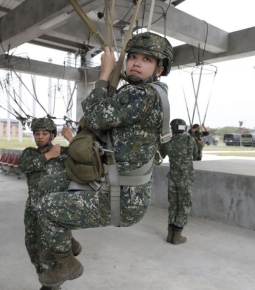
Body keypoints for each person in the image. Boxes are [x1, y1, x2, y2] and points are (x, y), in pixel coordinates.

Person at [37, 32, 173, 288]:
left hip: (119, 197)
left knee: (46, 207)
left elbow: (93, 115)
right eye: (132, 57)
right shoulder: (150, 95)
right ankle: (64, 245)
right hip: (120, 188)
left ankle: (67, 262)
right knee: (48, 184)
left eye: (146, 59)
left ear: (160, 68)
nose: (136, 62)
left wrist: (103, 74)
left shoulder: (141, 95)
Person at [18, 118, 81, 290]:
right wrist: (48, 156)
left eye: (45, 133)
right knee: (32, 246)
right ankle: (45, 277)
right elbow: (23, 167)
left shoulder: (63, 153)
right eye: (37, 134)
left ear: (52, 134)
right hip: (32, 208)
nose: (40, 137)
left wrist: (70, 138)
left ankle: (51, 285)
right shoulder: (30, 153)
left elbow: (84, 155)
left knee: (49, 248)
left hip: (53, 211)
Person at [159, 119, 198, 245]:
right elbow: (196, 155)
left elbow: (161, 155)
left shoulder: (167, 141)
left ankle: (170, 234)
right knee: (184, 205)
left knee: (173, 205)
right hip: (185, 179)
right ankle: (177, 236)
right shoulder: (189, 140)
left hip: (173, 178)